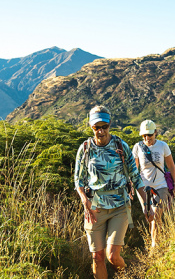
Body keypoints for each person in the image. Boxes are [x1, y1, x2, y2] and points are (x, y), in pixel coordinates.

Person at [74, 106, 148, 279]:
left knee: (112, 256)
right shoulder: (85, 149)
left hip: (119, 206)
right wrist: (85, 200)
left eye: (104, 127)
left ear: (109, 125)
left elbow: (135, 177)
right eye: (96, 127)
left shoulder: (120, 146)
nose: (100, 131)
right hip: (94, 209)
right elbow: (78, 180)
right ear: (90, 126)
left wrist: (147, 204)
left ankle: (126, 274)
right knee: (97, 257)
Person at [132, 120, 175, 248]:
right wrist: (131, 185)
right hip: (143, 186)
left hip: (161, 185)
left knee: (156, 214)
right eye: (144, 135)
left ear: (155, 133)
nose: (147, 138)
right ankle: (155, 239)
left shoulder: (163, 146)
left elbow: (171, 166)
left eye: (150, 135)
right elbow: (134, 169)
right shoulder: (137, 147)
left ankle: (154, 246)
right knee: (149, 216)